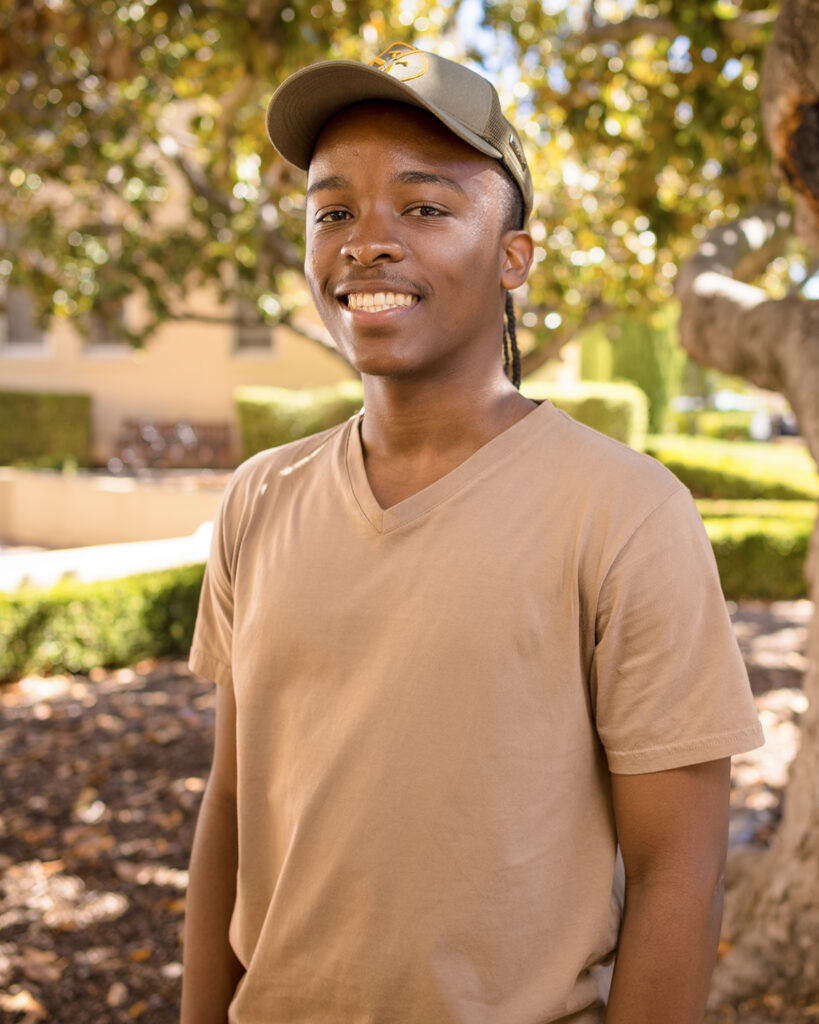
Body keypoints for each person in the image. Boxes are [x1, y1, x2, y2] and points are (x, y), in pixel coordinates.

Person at [180, 42, 764, 1024]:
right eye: (333, 211)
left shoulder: (624, 510)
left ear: (513, 256)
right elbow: (232, 809)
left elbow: (680, 868)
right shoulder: (258, 498)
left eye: (424, 206)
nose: (367, 240)